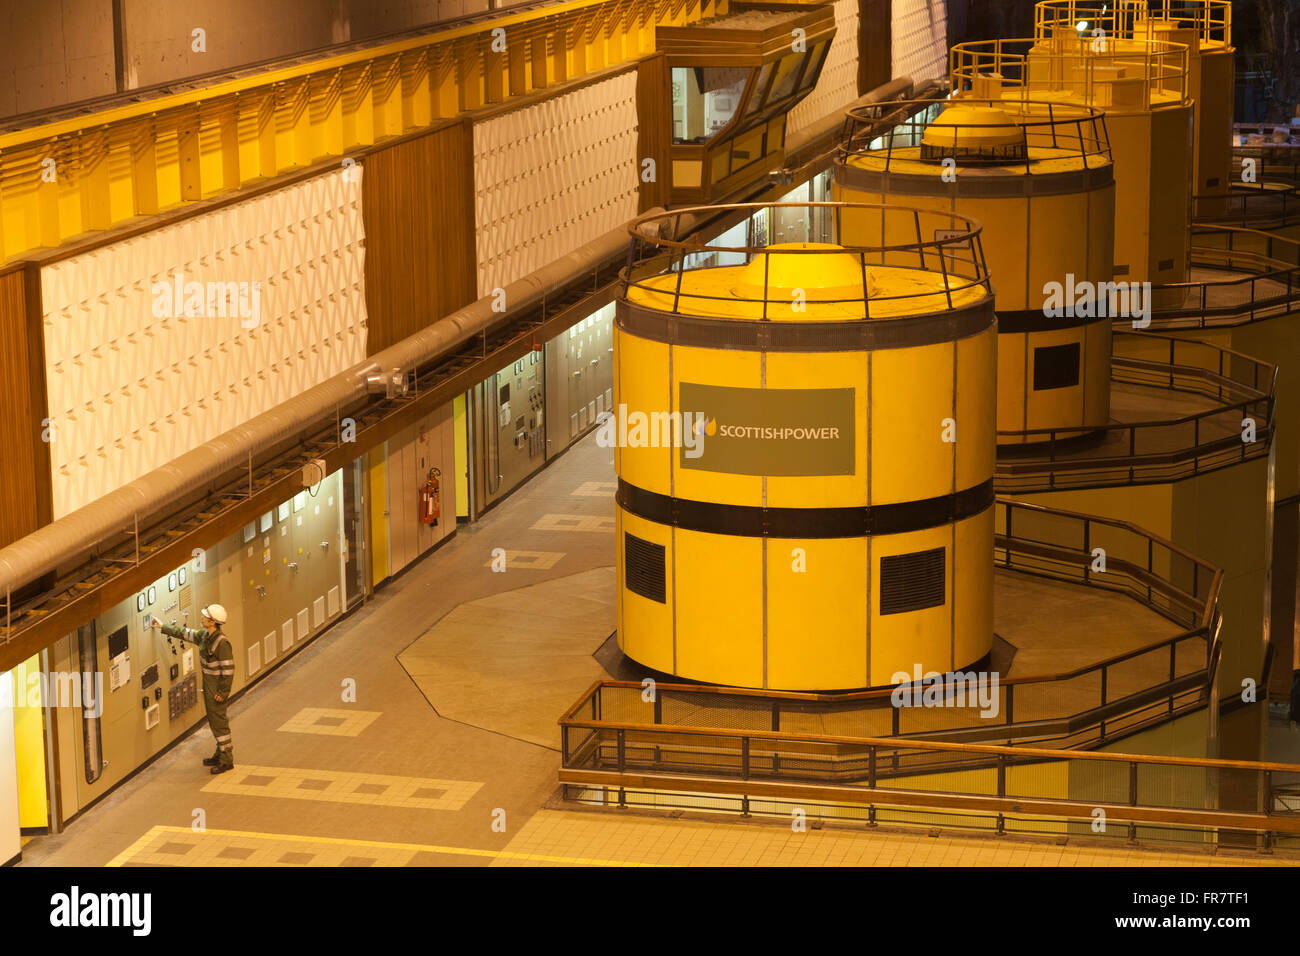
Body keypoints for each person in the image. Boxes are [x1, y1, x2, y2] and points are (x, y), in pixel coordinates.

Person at [151, 604, 236, 774]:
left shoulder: (222, 643)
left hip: (216, 687)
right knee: (214, 720)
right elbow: (184, 633)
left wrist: (222, 692)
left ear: (212, 622)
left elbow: (228, 670)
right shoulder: (205, 636)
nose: (202, 617)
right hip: (209, 683)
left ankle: (227, 760)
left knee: (219, 722)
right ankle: (220, 753)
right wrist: (162, 626)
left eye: (205, 616)